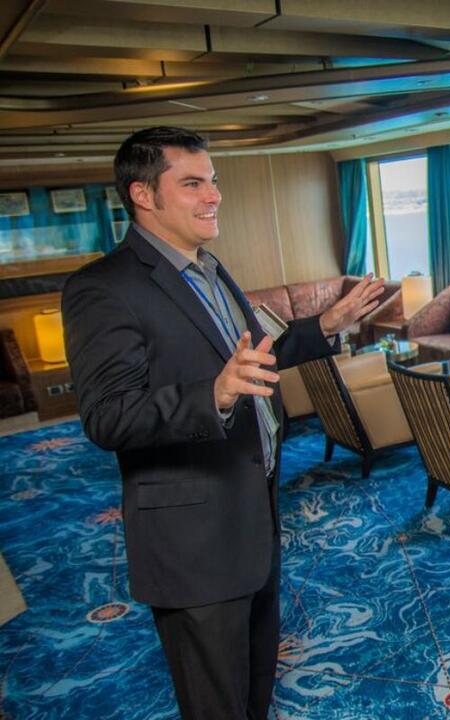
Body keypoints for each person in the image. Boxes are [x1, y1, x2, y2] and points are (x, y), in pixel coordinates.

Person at [62, 126, 384, 719]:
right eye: (192, 183)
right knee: (216, 703)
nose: (213, 196)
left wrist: (327, 323)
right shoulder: (103, 288)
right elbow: (106, 417)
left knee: (256, 683)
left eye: (213, 181)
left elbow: (255, 357)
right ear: (142, 194)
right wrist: (212, 393)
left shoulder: (209, 268)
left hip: (251, 517)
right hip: (192, 545)